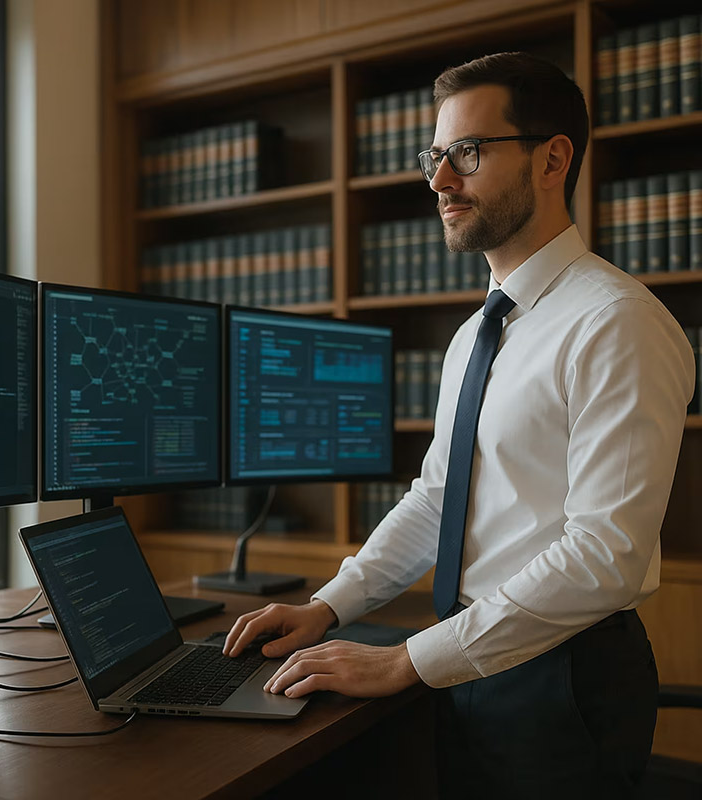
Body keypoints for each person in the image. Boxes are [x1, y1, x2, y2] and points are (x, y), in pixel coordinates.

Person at [223, 52, 695, 797]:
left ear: (553, 159)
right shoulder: (477, 332)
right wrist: (328, 605)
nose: (442, 182)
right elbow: (438, 499)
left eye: (468, 154)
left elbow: (605, 554)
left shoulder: (617, 324)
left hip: (562, 679)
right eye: (436, 157)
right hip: (471, 658)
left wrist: (405, 659)